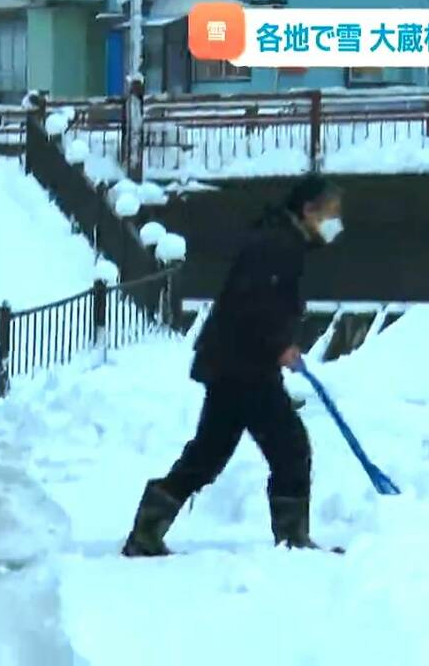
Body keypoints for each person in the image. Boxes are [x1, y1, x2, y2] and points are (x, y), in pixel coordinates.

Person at [122, 174, 345, 557]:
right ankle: (293, 542)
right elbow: (253, 302)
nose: (334, 222)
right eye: (330, 213)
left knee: (208, 453)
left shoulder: (279, 239)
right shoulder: (278, 244)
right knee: (290, 448)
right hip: (245, 366)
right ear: (308, 210)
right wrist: (280, 345)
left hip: (232, 362)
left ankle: (147, 530)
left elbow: (259, 302)